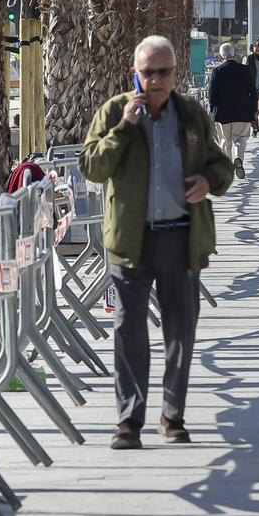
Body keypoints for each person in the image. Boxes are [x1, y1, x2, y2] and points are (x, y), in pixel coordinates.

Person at [82, 36, 234, 449]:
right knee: (128, 329)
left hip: (180, 239)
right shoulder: (115, 112)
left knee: (179, 332)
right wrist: (123, 129)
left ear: (175, 74)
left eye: (163, 72)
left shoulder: (190, 115)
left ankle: (172, 415)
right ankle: (129, 420)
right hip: (131, 241)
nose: (154, 80)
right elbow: (92, 166)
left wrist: (209, 180)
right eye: (147, 72)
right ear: (135, 72)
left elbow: (222, 165)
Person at [205, 42, 258, 178]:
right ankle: (238, 159)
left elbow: (212, 94)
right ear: (233, 53)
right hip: (243, 112)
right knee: (241, 139)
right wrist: (254, 109)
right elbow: (253, 91)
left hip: (223, 114)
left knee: (225, 142)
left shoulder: (217, 71)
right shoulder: (245, 70)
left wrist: (213, 109)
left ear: (221, 55)